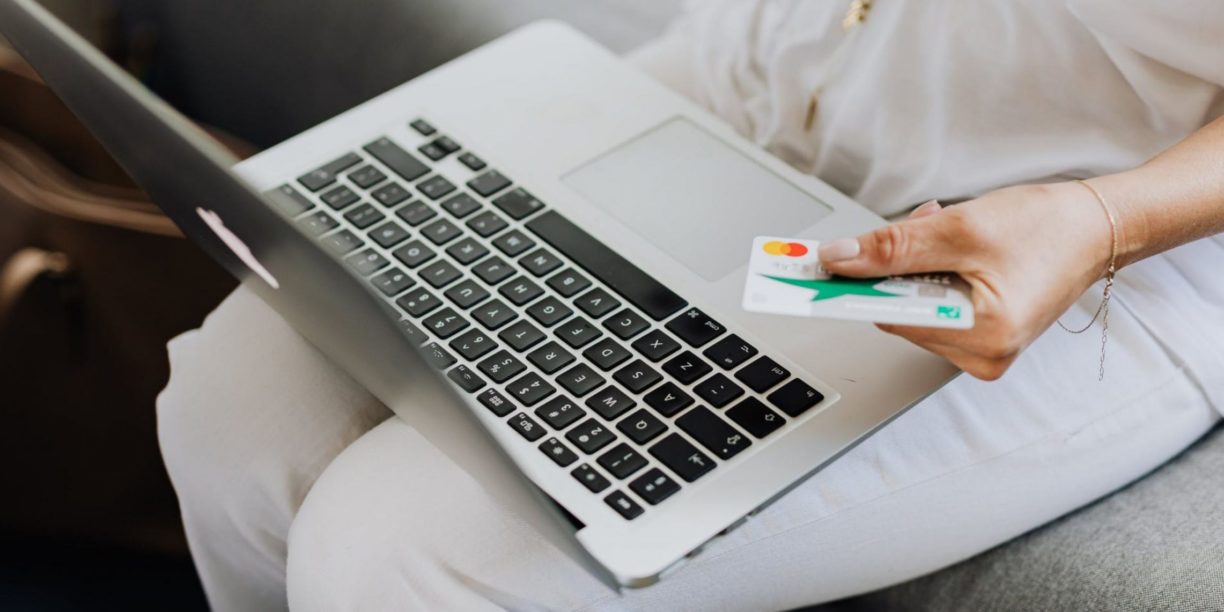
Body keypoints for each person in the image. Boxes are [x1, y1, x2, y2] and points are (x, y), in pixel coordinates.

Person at [157, 1, 1224, 610]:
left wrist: (1104, 219)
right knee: (230, 413)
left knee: (390, 559)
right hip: (752, 67)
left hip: (1065, 223)